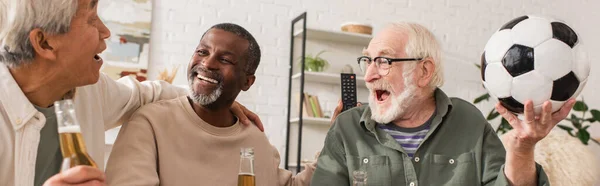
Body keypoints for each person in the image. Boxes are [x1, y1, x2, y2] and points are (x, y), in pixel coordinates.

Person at [0, 1, 262, 186]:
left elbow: (148, 94)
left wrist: (211, 98)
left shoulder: (91, 92)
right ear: (44, 42)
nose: (106, 31)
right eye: (91, 19)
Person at [311, 22, 575, 185]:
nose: (368, 76)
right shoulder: (347, 129)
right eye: (367, 60)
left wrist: (522, 148)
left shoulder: (469, 121)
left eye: (384, 61)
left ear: (424, 71)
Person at [105, 23, 315, 186]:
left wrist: (336, 138)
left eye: (225, 59)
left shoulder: (255, 139)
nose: (207, 63)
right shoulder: (148, 123)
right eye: (202, 52)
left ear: (247, 82)